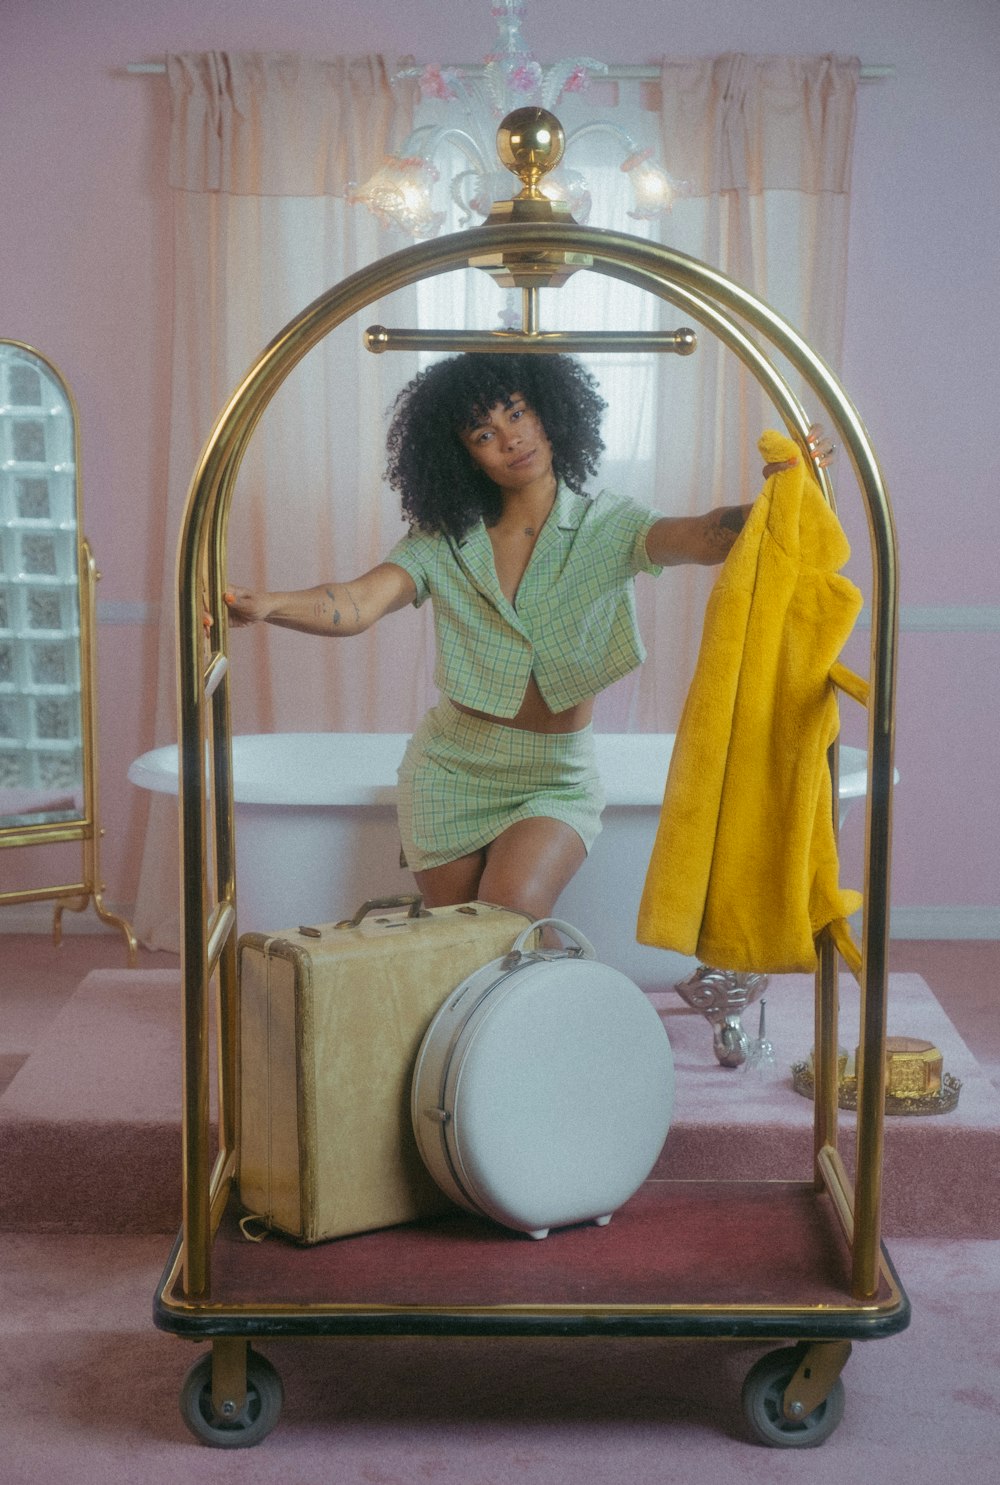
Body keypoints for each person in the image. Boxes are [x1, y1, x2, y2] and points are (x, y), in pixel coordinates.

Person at [224, 353, 832, 927]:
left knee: (510, 908)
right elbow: (356, 603)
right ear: (462, 455)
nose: (510, 438)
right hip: (451, 769)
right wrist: (271, 603)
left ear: (547, 412)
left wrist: (784, 493)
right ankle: (470, 1042)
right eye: (484, 433)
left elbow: (702, 536)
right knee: (459, 947)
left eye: (516, 413)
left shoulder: (608, 526)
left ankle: (534, 1033)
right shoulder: (443, 540)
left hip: (554, 776)